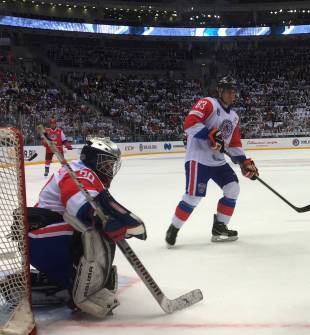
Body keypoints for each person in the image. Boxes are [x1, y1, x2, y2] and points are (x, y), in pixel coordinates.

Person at [27, 138, 146, 317]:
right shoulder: (78, 173)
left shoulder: (86, 174)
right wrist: (111, 221)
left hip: (42, 235)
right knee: (90, 234)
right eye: (105, 163)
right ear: (92, 158)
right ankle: (76, 288)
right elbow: (81, 207)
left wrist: (120, 220)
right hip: (37, 237)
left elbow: (102, 206)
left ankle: (68, 281)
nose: (109, 169)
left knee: (96, 232)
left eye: (111, 164)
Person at [165, 76, 258, 246]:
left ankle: (220, 227)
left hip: (217, 161)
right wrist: (210, 133)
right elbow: (190, 123)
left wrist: (244, 162)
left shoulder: (235, 117)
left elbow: (234, 143)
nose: (232, 94)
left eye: (234, 91)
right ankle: (174, 228)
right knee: (193, 197)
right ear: (220, 91)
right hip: (198, 158)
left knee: (233, 188)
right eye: (228, 90)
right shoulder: (208, 103)